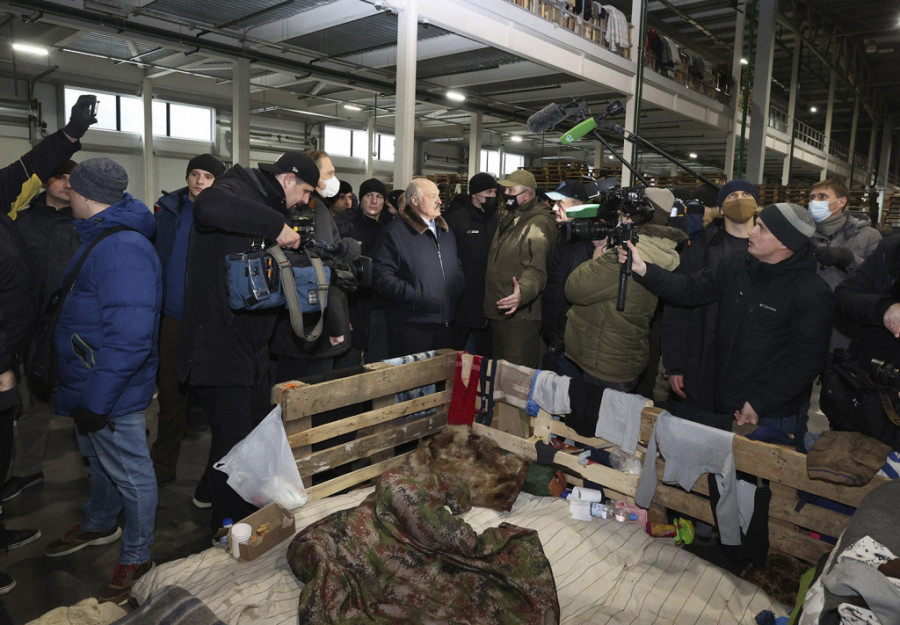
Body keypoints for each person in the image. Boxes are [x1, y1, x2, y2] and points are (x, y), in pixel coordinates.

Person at [42, 158, 162, 605]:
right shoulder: (102, 235)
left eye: (71, 189)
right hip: (91, 381)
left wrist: (96, 399)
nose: (66, 195)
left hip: (109, 391)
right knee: (99, 462)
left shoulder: (122, 249)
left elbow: (130, 338)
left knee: (132, 475)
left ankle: (138, 555)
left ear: (88, 195)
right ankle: (99, 523)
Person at [179, 151, 318, 530]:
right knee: (236, 443)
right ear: (287, 179)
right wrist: (275, 225)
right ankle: (228, 529)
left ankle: (210, 493)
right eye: (305, 191)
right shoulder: (235, 187)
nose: (306, 201)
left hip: (250, 344)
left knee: (246, 431)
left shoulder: (265, 199)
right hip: (219, 342)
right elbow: (208, 205)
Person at [620, 202, 833, 437]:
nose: (751, 231)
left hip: (769, 414)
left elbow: (805, 362)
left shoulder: (811, 293)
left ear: (784, 242)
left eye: (761, 228)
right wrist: (644, 270)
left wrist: (761, 402)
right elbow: (690, 289)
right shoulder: (738, 266)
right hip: (723, 402)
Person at [2, 161, 79, 501]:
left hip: (76, 327)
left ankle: (99, 464)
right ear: (45, 182)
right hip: (33, 329)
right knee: (34, 404)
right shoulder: (22, 221)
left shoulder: (87, 222)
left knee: (86, 399)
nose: (65, 184)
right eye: (59, 177)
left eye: (71, 179)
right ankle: (26, 470)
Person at [149, 153, 226, 486]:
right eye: (194, 174)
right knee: (170, 396)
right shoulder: (169, 212)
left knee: (216, 400)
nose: (199, 181)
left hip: (211, 320)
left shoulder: (227, 215)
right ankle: (162, 466)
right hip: (173, 317)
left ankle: (218, 478)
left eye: (207, 176)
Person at [561, 188, 685, 391]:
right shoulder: (660, 249)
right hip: (625, 356)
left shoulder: (625, 256)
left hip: (603, 361)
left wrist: (599, 254)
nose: (618, 218)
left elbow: (574, 288)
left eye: (623, 213)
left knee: (594, 420)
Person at [661, 179, 758, 410]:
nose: (740, 200)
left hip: (749, 364)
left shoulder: (770, 248)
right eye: (732, 196)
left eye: (746, 194)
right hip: (702, 359)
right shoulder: (700, 247)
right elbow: (677, 306)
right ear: (721, 208)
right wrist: (675, 365)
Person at [270, 149, 350, 382]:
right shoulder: (316, 210)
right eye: (329, 173)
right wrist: (337, 325)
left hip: (286, 325)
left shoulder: (284, 208)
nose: (332, 179)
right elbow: (323, 271)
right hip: (312, 326)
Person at [372, 178, 465, 357]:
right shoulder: (395, 233)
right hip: (411, 324)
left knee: (440, 381)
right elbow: (381, 275)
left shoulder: (445, 231)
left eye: (438, 196)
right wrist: (416, 295)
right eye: (432, 196)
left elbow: (456, 264)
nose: (439, 201)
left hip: (445, 321)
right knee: (412, 381)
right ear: (414, 201)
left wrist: (457, 287)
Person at [483, 169, 557, 368]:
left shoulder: (539, 224)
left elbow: (537, 269)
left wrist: (522, 292)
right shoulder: (510, 217)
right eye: (504, 189)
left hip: (521, 316)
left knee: (517, 377)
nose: (506, 194)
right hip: (501, 311)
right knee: (500, 372)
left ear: (528, 194)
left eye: (511, 190)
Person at [808, 178, 881, 349]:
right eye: (812, 197)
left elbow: (877, 280)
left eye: (822, 196)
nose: (814, 202)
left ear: (841, 202)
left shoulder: (869, 236)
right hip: (807, 321)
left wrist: (848, 258)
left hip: (845, 328)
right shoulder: (805, 234)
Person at [336, 177, 392, 365]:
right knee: (348, 367)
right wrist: (341, 314)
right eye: (369, 195)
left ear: (385, 201)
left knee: (378, 365)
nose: (374, 201)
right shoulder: (346, 226)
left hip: (380, 308)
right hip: (353, 306)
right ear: (361, 199)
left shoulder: (391, 229)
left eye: (379, 196)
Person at [541, 179, 595, 370]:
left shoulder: (579, 242)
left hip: (566, 344)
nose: (554, 208)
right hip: (556, 336)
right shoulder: (565, 233)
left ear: (578, 206)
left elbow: (571, 297)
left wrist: (557, 342)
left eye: (560, 203)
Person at [446, 172, 499, 356]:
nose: (493, 196)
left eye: (495, 191)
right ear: (475, 194)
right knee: (453, 355)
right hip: (462, 303)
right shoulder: (457, 220)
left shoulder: (497, 221)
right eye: (489, 191)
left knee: (485, 358)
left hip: (489, 303)